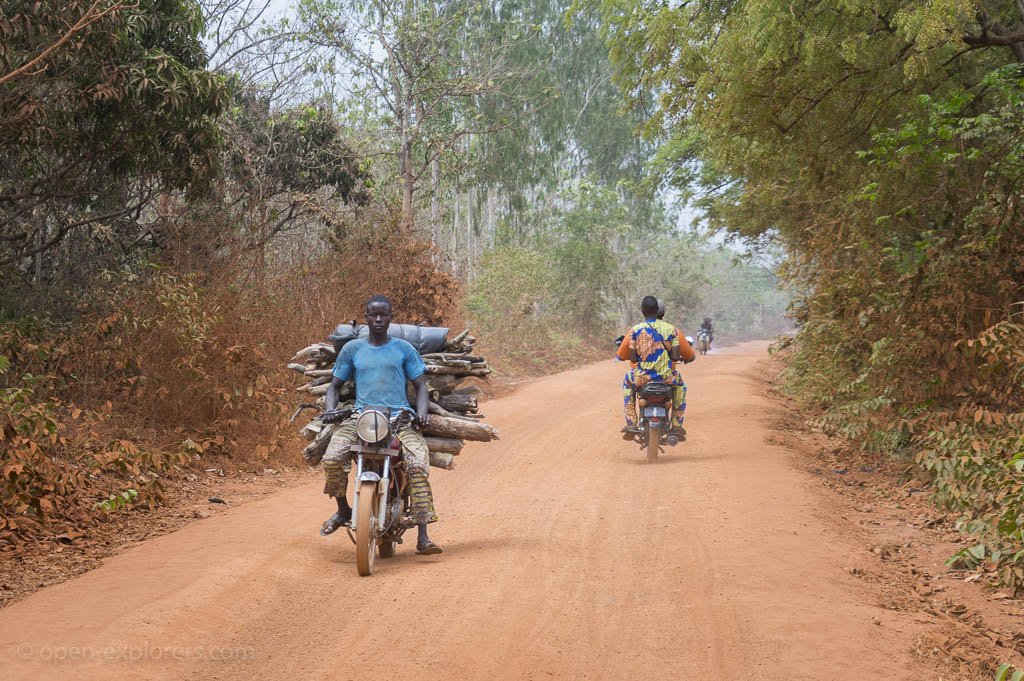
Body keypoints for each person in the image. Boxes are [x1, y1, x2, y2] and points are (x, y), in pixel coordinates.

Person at [319, 295, 442, 555]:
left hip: (399, 419)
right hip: (361, 418)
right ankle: (343, 510)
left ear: (389, 317)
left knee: (418, 464)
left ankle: (423, 534)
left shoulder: (404, 349)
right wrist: (330, 410)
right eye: (373, 315)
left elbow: (420, 386)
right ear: (365, 317)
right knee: (332, 458)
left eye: (383, 315)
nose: (378, 319)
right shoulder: (352, 349)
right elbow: (334, 387)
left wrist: (422, 414)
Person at [621, 296, 690, 441]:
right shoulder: (672, 330)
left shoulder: (635, 330)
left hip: (642, 377)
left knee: (627, 382)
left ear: (642, 311)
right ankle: (677, 424)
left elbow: (633, 358)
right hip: (666, 377)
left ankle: (631, 422)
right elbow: (676, 357)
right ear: (658, 310)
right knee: (681, 386)